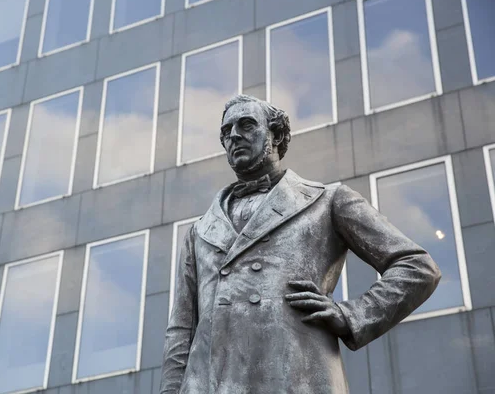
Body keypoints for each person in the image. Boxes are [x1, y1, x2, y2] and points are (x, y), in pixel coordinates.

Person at [160, 95, 441, 394]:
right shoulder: (199, 231)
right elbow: (181, 330)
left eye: (246, 125)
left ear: (277, 135)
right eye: (226, 131)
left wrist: (351, 315)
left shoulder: (327, 201)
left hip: (294, 379)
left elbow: (417, 267)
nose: (234, 135)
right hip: (208, 385)